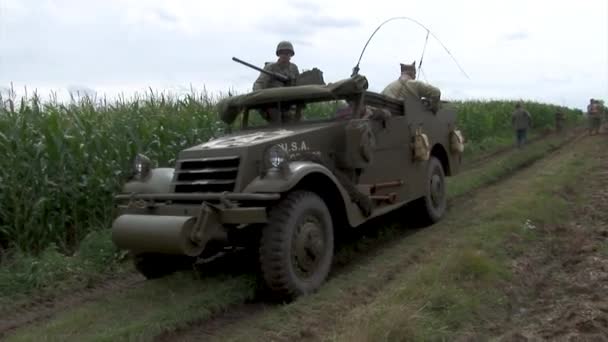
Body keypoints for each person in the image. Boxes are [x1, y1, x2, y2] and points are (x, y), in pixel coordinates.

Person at [252, 41, 301, 124]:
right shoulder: (270, 67)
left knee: (297, 123)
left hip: (289, 103)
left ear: (291, 54)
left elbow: (299, 84)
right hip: (273, 103)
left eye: (287, 53)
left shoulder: (294, 68)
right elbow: (259, 83)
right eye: (282, 53)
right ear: (279, 54)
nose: (285, 55)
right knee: (277, 123)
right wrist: (260, 96)